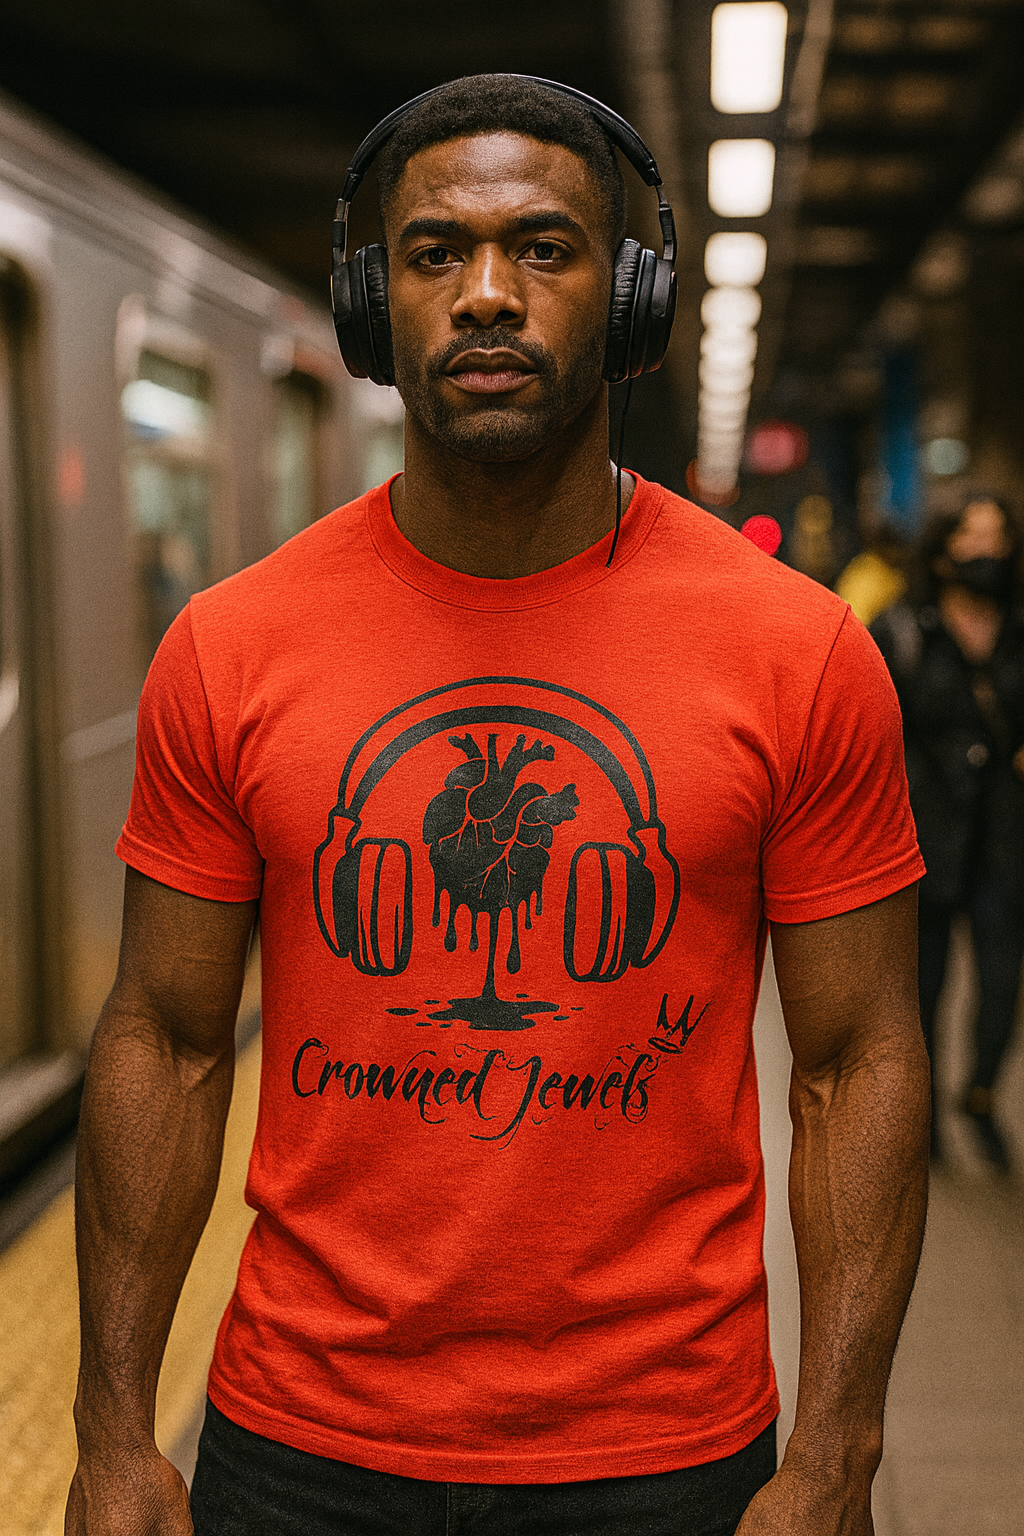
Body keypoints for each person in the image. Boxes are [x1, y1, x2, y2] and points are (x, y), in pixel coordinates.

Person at [66, 75, 928, 1536]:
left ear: (633, 297)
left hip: (665, 1453)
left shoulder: (798, 650)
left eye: (543, 247)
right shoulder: (231, 644)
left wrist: (837, 1455)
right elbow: (166, 1034)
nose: (484, 294)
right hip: (298, 1442)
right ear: (371, 307)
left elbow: (855, 1061)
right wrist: (107, 1432)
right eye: (429, 253)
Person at [872, 491, 1024, 1169]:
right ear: (941, 551)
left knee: (1000, 984)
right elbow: (869, 733)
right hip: (923, 833)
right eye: (972, 538)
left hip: (1005, 837)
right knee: (921, 992)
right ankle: (924, 1121)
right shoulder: (901, 628)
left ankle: (982, 1093)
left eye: (998, 539)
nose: (986, 552)